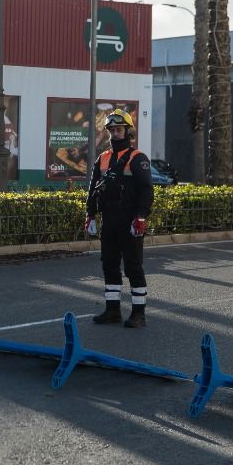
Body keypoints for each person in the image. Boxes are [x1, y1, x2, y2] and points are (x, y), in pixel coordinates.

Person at [85, 109, 153, 328]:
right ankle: (112, 311)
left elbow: (146, 190)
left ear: (127, 131)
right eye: (112, 130)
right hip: (110, 221)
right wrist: (90, 214)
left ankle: (139, 314)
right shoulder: (103, 159)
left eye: (119, 129)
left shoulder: (137, 158)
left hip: (130, 221)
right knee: (110, 265)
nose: (115, 133)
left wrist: (141, 217)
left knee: (133, 266)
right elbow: (93, 188)